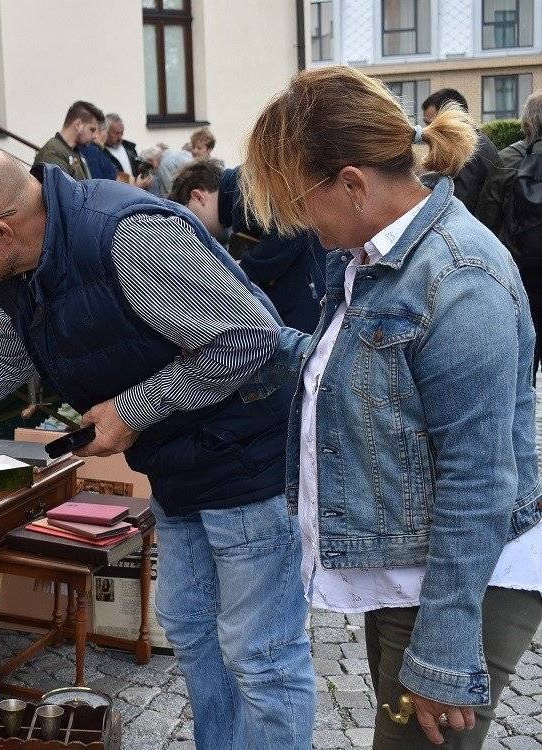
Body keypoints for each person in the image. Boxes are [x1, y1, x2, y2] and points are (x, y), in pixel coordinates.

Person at [0, 143, 317, 749]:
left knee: (262, 657)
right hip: (183, 467)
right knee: (197, 636)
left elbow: (247, 341)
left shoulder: (129, 238)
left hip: (249, 463)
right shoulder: (30, 261)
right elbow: (6, 360)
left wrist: (132, 411)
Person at [241, 65, 542, 749]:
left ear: (351, 182)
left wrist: (442, 649)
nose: (297, 223)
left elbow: (479, 478)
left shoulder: (459, 276)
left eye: (298, 200)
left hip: (462, 581)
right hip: (411, 569)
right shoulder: (375, 257)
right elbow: (368, 377)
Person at [169, 159, 327, 333]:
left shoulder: (246, 187)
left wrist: (244, 269)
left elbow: (290, 229)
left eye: (191, 217)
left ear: (198, 196)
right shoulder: (240, 190)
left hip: (306, 302)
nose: (196, 228)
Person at [476, 91, 542, 374]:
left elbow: (485, 223)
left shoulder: (509, 158)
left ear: (527, 123)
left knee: (521, 370)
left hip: (520, 278)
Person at [421, 88, 499, 213]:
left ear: (452, 117)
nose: (427, 131)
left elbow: (457, 207)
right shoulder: (476, 142)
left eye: (432, 124)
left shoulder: (467, 151)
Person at [33, 100, 103, 180]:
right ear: (78, 124)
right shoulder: (54, 152)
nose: (95, 136)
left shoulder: (76, 152)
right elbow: (60, 190)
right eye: (92, 130)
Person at [103, 113, 154, 188]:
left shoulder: (130, 148)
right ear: (106, 132)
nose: (120, 137)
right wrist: (137, 186)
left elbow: (138, 171)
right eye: (116, 133)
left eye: (122, 132)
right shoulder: (101, 153)